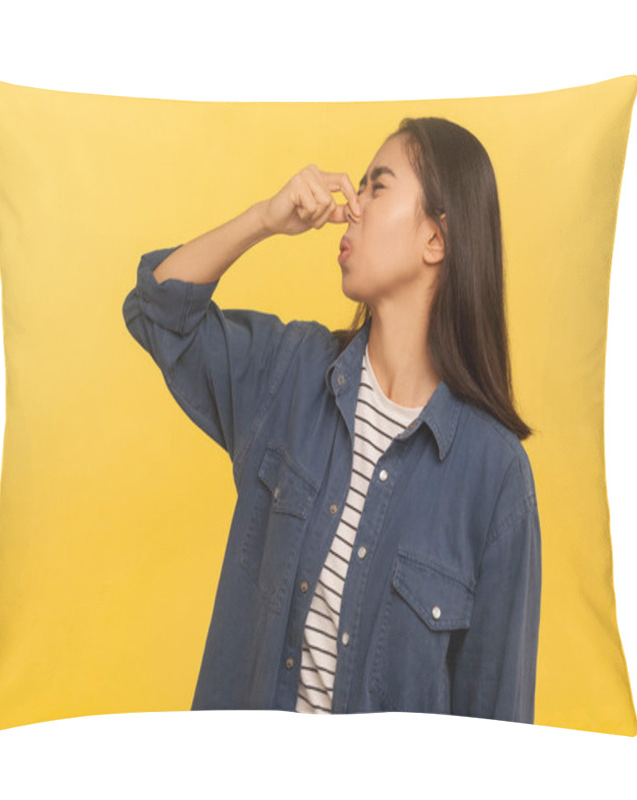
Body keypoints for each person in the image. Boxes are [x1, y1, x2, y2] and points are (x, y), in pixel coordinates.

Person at [122, 116, 542, 723]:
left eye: (378, 187)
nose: (352, 206)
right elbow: (158, 311)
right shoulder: (290, 373)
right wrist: (265, 217)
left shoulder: (495, 477)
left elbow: (498, 735)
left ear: (435, 240)